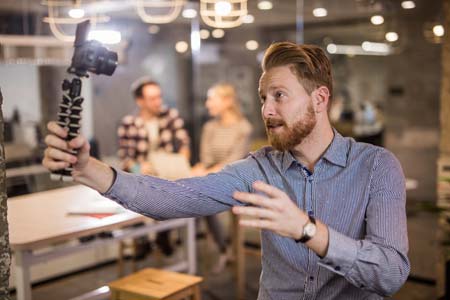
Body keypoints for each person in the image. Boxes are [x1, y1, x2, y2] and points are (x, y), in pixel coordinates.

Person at [43, 41, 410, 299]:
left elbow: (390, 274)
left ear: (319, 99)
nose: (266, 111)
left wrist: (307, 230)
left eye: (279, 96)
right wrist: (89, 169)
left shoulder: (377, 167)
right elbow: (174, 198)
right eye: (264, 98)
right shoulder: (260, 168)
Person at [117, 78, 191, 256]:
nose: (158, 101)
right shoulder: (129, 122)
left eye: (159, 97)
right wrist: (138, 169)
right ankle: (143, 238)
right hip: (142, 175)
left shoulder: (170, 115)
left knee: (172, 198)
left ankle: (163, 234)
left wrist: (180, 164)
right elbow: (125, 158)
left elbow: (184, 143)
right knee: (132, 193)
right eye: (152, 98)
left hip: (167, 174)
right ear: (140, 101)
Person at [190, 83, 252, 274]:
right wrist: (200, 169)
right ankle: (218, 250)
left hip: (235, 180)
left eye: (211, 98)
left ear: (227, 101)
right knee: (194, 198)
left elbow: (234, 160)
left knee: (201, 200)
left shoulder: (244, 127)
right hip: (211, 177)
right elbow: (206, 157)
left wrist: (208, 172)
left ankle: (221, 249)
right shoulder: (210, 127)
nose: (207, 104)